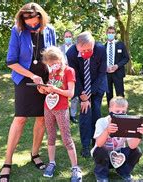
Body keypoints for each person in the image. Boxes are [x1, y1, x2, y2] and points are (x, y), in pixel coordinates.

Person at [0, 3, 56, 181]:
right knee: (20, 118)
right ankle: (7, 162)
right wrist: (32, 76)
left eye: (34, 19)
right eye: (27, 20)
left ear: (40, 16)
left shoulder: (50, 30)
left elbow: (55, 57)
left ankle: (35, 154)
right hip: (24, 79)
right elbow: (11, 62)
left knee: (41, 119)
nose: (31, 23)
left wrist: (53, 78)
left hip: (45, 80)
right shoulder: (17, 31)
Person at [37, 46, 82, 181]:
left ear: (59, 58)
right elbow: (48, 90)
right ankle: (51, 163)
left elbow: (70, 93)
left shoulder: (69, 71)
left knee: (66, 137)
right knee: (50, 136)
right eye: (49, 65)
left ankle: (75, 167)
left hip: (61, 108)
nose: (51, 66)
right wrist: (43, 89)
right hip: (48, 107)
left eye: (53, 63)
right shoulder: (51, 73)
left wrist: (56, 89)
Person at [66, 31, 108, 157]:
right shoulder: (71, 53)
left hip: (97, 86)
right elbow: (75, 76)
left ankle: (97, 144)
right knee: (85, 115)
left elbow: (102, 73)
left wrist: (89, 94)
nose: (87, 52)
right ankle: (85, 146)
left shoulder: (100, 49)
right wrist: (82, 96)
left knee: (96, 113)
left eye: (90, 49)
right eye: (83, 50)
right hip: (81, 87)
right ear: (77, 46)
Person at [91, 96, 143, 181]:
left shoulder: (127, 123)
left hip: (119, 157)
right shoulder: (101, 121)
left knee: (137, 151)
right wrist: (107, 131)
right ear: (110, 110)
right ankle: (101, 175)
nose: (120, 113)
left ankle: (123, 171)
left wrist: (139, 133)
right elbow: (99, 144)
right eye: (117, 111)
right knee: (100, 149)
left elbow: (132, 146)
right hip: (103, 156)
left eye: (123, 111)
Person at [105, 26, 129, 105]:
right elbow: (101, 61)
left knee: (120, 93)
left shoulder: (120, 45)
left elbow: (126, 58)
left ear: (115, 34)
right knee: (109, 94)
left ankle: (122, 112)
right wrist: (105, 67)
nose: (111, 34)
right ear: (106, 33)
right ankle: (111, 112)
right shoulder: (103, 47)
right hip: (107, 74)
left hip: (118, 73)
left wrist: (117, 66)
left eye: (112, 33)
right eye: (109, 33)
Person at [59, 30, 79, 123]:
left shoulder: (76, 48)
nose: (68, 38)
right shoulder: (59, 48)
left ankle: (73, 115)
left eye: (69, 36)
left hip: (74, 74)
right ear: (64, 38)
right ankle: (62, 114)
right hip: (62, 74)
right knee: (62, 93)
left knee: (74, 96)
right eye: (66, 36)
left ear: (72, 37)